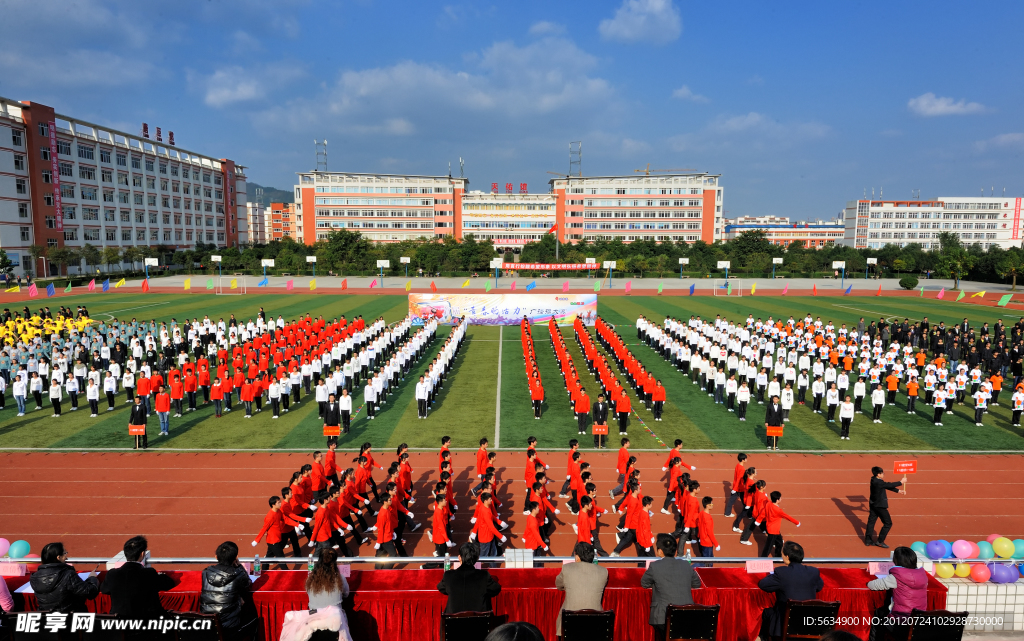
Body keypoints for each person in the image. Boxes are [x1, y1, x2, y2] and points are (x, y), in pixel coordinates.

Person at [757, 541, 823, 640]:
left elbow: (763, 585)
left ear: (787, 557)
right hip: (808, 623)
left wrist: (772, 575)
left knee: (767, 613)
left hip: (785, 622)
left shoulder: (781, 572)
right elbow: (819, 587)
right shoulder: (813, 571)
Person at [100, 536, 176, 620]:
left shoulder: (112, 574)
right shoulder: (149, 574)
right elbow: (169, 583)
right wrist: (161, 575)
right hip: (146, 625)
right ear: (142, 554)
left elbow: (104, 589)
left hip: (119, 625)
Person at [640, 534, 702, 637]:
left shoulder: (655, 566)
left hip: (662, 616)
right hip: (686, 615)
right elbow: (696, 583)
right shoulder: (686, 564)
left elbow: (644, 583)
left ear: (660, 551)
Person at [867, 546, 929, 641]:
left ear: (896, 560)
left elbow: (872, 585)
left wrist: (868, 583)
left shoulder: (897, 576)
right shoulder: (923, 575)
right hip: (918, 623)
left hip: (899, 625)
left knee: (878, 616)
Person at [200, 541, 257, 641]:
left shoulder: (205, 572)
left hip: (209, 624)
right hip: (230, 628)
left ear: (216, 557)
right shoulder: (237, 575)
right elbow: (248, 584)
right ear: (235, 558)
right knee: (254, 620)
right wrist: (239, 566)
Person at [554, 542, 608, 637]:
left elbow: (559, 585)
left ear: (577, 557)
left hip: (569, 624)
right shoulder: (604, 571)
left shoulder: (567, 568)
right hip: (596, 624)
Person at [29, 542, 100, 612]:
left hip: (47, 617)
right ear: (58, 557)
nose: (67, 557)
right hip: (71, 616)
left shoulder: (34, 577)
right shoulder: (68, 575)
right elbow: (90, 592)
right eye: (65, 553)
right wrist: (92, 578)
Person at [437, 542, 502, 613]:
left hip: (453, 622)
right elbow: (496, 589)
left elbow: (441, 588)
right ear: (477, 558)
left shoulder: (448, 575)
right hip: (479, 622)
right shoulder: (484, 576)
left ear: (459, 557)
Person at [865, 466, 907, 548]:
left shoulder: (874, 479)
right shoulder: (878, 482)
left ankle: (868, 540)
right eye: (882, 473)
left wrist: (898, 491)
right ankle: (880, 541)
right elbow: (888, 485)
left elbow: (885, 486)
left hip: (873, 504)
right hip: (880, 506)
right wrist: (901, 482)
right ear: (878, 474)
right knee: (888, 523)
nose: (883, 474)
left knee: (871, 522)